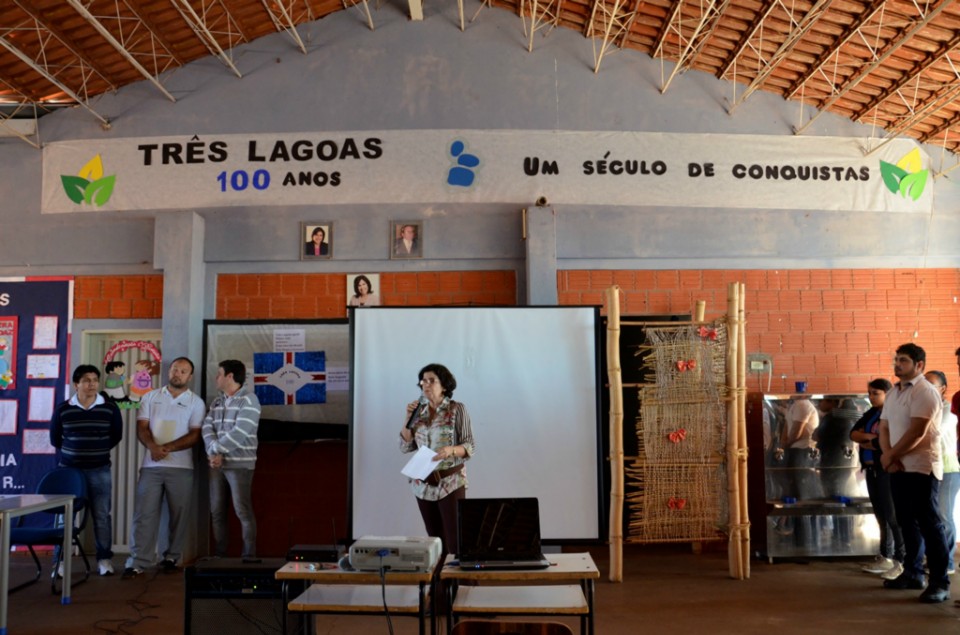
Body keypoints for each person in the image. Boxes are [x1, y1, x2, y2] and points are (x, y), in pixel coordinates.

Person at [122, 357, 206, 579]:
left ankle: (171, 557)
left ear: (190, 376)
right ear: (169, 372)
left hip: (182, 467)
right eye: (175, 369)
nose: (178, 373)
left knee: (179, 514)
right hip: (151, 465)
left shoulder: (196, 402)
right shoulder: (151, 396)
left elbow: (195, 434)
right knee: (144, 513)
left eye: (183, 371)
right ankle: (137, 561)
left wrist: (166, 448)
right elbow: (142, 427)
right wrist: (153, 448)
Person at [879, 343, 950, 603]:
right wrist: (887, 456)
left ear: (919, 365)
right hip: (897, 466)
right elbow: (884, 427)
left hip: (921, 467)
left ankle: (940, 583)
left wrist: (891, 455)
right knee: (906, 521)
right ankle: (912, 573)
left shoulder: (925, 391)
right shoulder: (894, 393)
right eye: (896, 359)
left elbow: (918, 431)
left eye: (904, 360)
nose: (898, 364)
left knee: (930, 525)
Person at [49, 365, 123, 576]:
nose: (92, 384)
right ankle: (59, 563)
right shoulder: (64, 408)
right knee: (65, 517)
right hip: (69, 473)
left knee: (101, 515)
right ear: (76, 384)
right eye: (86, 380)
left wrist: (95, 449)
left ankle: (104, 560)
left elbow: (116, 435)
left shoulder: (109, 408)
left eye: (95, 380)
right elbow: (55, 439)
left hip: (99, 469)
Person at [399, 363, 475, 558]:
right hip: (423, 484)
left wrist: (451, 450)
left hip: (450, 481)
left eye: (431, 380)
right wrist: (408, 418)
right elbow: (406, 446)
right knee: (434, 541)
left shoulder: (457, 409)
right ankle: (438, 585)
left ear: (444, 385)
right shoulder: (418, 412)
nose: (426, 384)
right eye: (423, 381)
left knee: (455, 541)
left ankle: (455, 585)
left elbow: (469, 446)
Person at [202, 359, 261, 558]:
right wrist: (213, 451)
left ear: (230, 376)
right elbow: (206, 427)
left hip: (240, 465)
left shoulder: (249, 400)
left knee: (242, 511)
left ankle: (248, 557)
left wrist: (216, 450)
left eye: (219, 374)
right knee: (217, 511)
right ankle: (220, 555)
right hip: (216, 464)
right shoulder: (217, 401)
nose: (216, 378)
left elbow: (239, 433)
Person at [851, 378, 905, 579]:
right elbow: (853, 433)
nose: (871, 397)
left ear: (887, 394)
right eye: (870, 393)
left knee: (893, 516)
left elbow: (889, 442)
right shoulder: (872, 413)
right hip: (871, 471)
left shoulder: (892, 414)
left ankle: (902, 560)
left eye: (876, 393)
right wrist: (871, 438)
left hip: (886, 470)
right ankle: (885, 555)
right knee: (881, 516)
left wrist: (870, 440)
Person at [925, 370, 959, 575]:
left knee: (944, 517)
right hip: (929, 468)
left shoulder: (947, 409)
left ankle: (947, 563)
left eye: (931, 384)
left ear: (943, 388)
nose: (926, 388)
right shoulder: (927, 408)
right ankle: (936, 559)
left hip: (948, 469)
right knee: (931, 517)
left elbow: (933, 431)